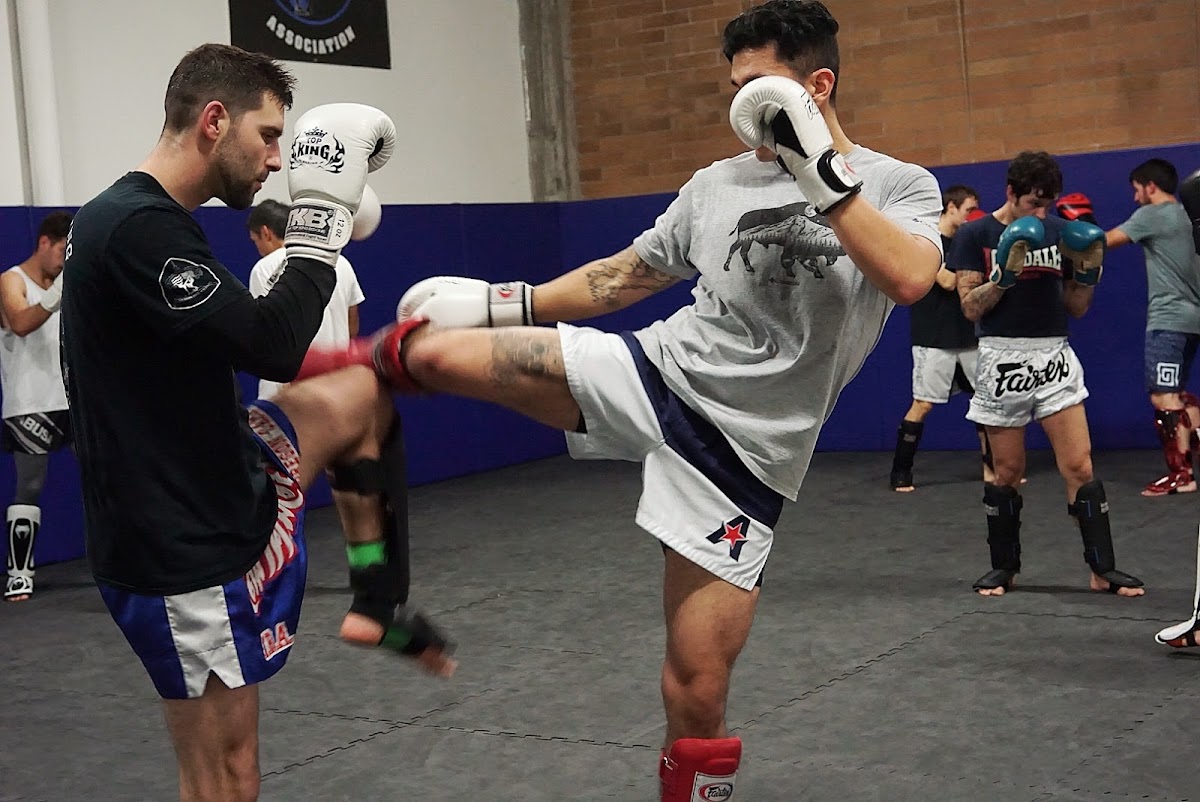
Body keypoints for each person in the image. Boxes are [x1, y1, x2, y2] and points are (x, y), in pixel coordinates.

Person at [294, 2, 943, 797]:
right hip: (658, 372)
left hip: (748, 459)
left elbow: (909, 279)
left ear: (820, 85)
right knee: (419, 352)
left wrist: (821, 171)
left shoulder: (898, 184)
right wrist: (516, 302)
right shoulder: (714, 186)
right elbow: (622, 277)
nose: (743, 107)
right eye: (733, 87)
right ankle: (374, 588)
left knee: (696, 693)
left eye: (762, 88)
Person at [59, 43, 453, 802]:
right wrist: (321, 218)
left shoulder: (142, 218)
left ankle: (375, 600)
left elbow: (242, 345)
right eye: (268, 135)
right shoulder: (136, 227)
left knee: (359, 395)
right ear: (214, 121)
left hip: (222, 464)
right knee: (229, 776)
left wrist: (379, 353)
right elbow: (270, 340)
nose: (277, 159)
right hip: (181, 544)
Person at [950, 151, 1144, 599]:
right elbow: (968, 307)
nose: (1041, 214)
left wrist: (1088, 274)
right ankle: (1004, 569)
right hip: (1001, 359)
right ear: (1010, 193)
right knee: (1008, 472)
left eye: (1048, 204)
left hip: (1054, 356)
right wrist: (1003, 276)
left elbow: (1075, 307)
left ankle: (1103, 569)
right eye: (1032, 204)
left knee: (1079, 465)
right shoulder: (975, 234)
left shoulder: (1062, 234)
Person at [1096, 159, 1200, 496]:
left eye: (1137, 189)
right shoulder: (1187, 215)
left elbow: (1103, 243)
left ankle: (1181, 476)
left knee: (1163, 395)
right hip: (1192, 319)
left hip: (1168, 320)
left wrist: (1077, 227)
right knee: (1179, 392)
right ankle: (1188, 464)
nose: (1135, 198)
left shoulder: (1153, 214)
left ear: (1150, 186)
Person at [889, 187, 994, 491]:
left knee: (985, 404)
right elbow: (947, 281)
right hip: (933, 337)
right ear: (951, 207)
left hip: (969, 336)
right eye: (969, 209)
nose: (973, 216)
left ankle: (992, 469)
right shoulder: (925, 240)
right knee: (922, 405)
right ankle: (901, 472)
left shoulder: (969, 241)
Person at [0, 210, 73, 601]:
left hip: (72, 398)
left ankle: (126, 563)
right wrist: (54, 296)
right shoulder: (11, 280)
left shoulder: (65, 284)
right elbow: (20, 322)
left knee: (107, 479)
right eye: (61, 250)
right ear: (43, 242)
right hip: (29, 401)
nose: (64, 260)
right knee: (30, 484)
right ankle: (19, 574)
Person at [245, 198, 365, 400]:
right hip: (338, 388)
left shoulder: (264, 268)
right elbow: (352, 323)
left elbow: (266, 334)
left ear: (266, 233)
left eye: (255, 241)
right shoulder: (341, 263)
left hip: (287, 394)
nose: (257, 248)